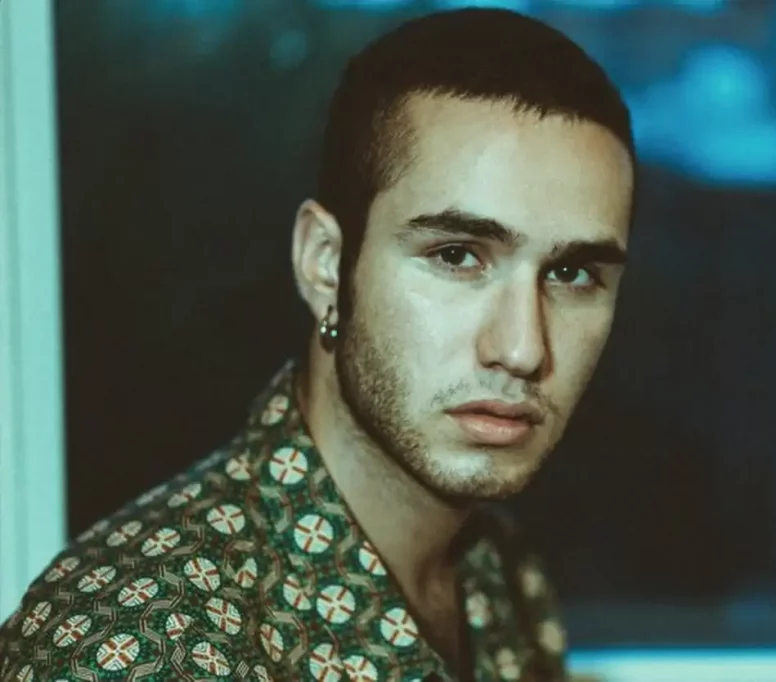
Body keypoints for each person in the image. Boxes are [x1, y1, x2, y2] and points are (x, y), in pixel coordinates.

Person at [0, 7, 634, 681]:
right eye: (456, 255)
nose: (522, 348)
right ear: (326, 265)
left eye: (571, 274)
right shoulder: (140, 644)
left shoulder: (498, 571)